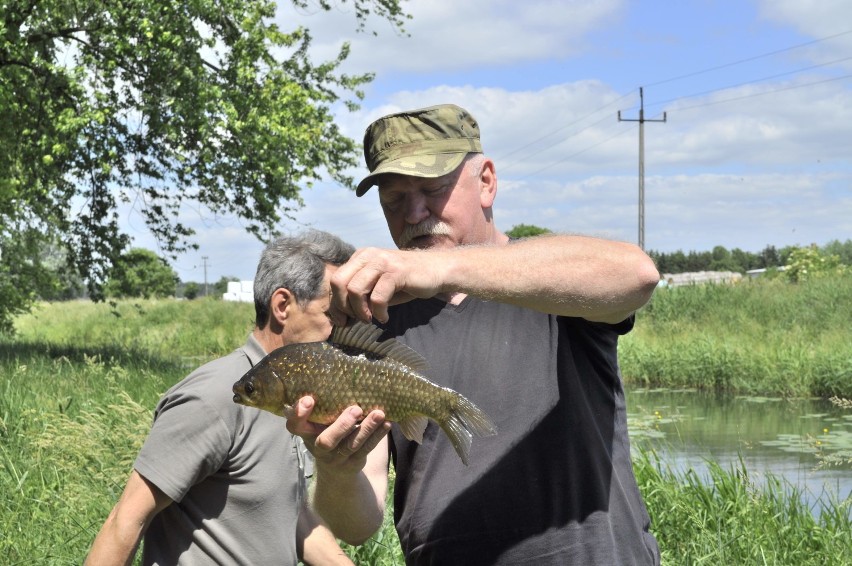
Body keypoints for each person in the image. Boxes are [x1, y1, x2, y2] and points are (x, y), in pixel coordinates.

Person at [285, 104, 663, 565]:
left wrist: (439, 268)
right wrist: (336, 470)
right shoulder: (370, 325)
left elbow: (637, 274)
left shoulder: (550, 280)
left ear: (486, 181)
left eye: (433, 189)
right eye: (395, 200)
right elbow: (357, 524)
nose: (415, 212)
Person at [85, 230, 356, 565]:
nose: (343, 329)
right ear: (283, 305)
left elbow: (291, 514)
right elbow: (124, 521)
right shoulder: (215, 396)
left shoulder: (298, 400)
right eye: (334, 315)